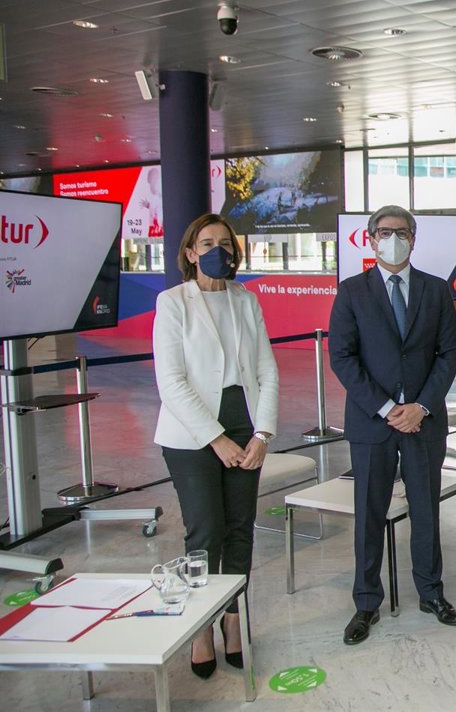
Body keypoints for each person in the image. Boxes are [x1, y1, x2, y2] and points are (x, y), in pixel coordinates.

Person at [329, 205, 456, 645]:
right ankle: (367, 602)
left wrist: (421, 406)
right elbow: (342, 358)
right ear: (370, 240)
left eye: (402, 232)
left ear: (414, 239)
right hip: (373, 423)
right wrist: (387, 407)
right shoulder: (352, 291)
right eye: (385, 232)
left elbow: (449, 354)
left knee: (426, 510)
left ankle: (431, 592)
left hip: (423, 421)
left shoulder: (436, 290)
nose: (394, 240)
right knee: (370, 514)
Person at [153, 213, 278, 678]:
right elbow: (171, 381)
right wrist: (216, 439)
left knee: (241, 529)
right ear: (190, 252)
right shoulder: (173, 302)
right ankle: (201, 625)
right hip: (191, 433)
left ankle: (233, 618)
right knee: (205, 532)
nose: (217, 250)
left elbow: (267, 371)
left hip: (245, 421)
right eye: (207, 243)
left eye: (225, 243)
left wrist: (262, 434)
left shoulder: (246, 300)